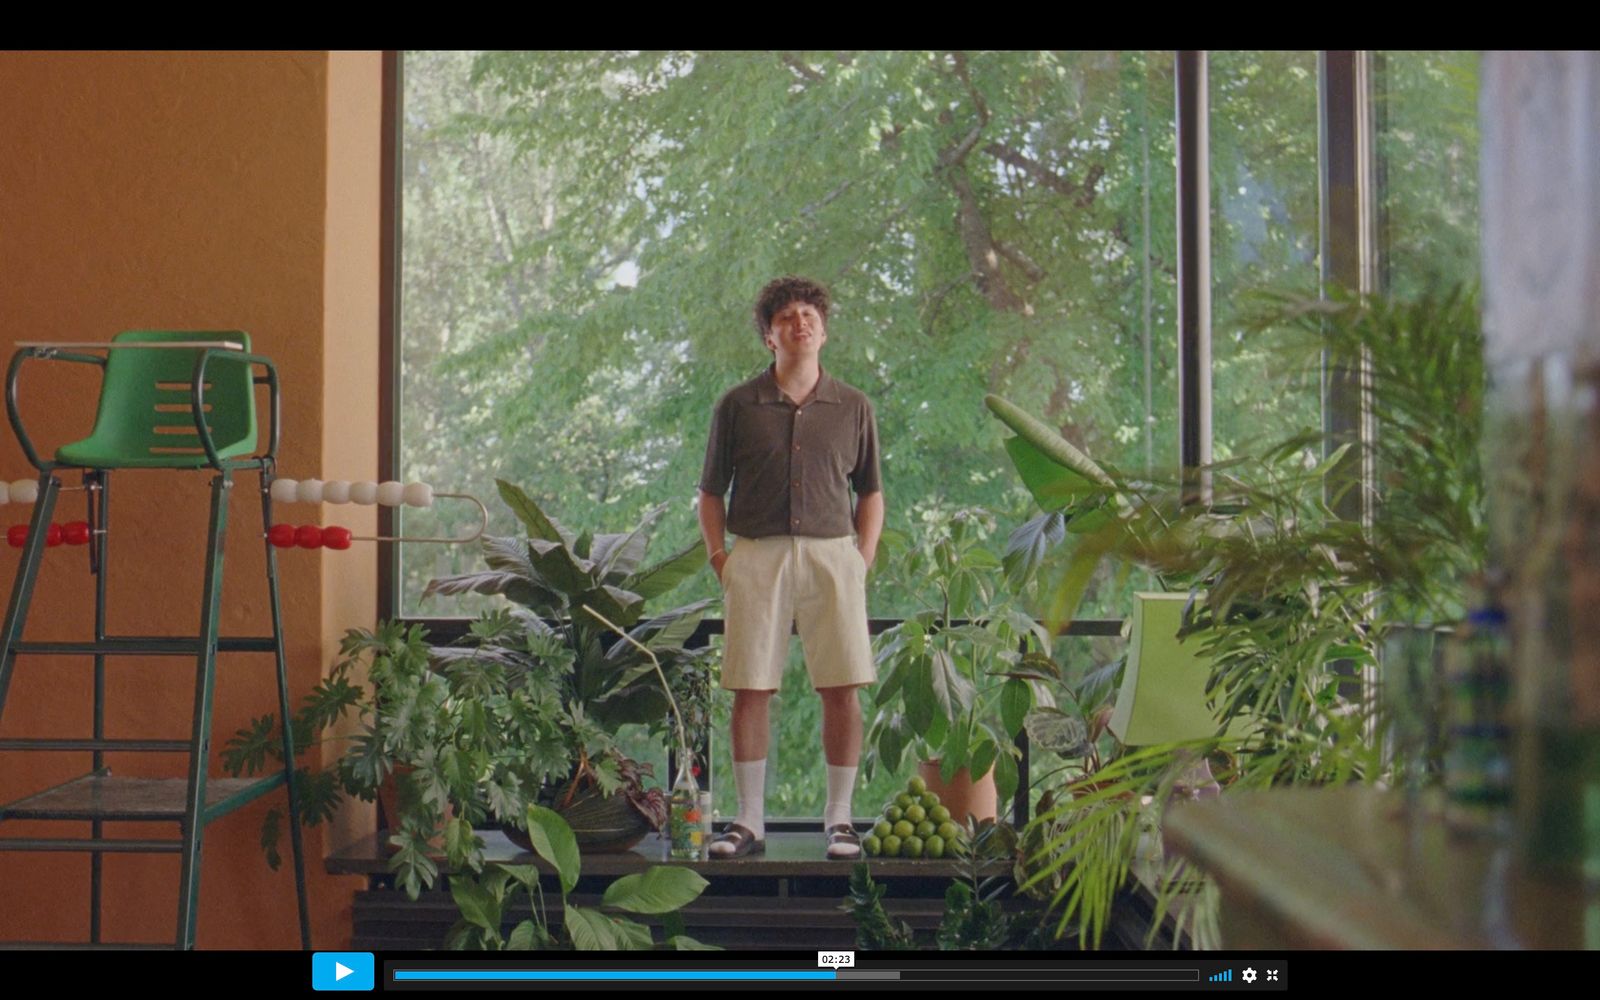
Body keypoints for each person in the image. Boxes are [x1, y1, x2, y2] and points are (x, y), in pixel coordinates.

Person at [697, 275, 884, 860]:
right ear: (768, 337)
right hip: (756, 554)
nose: (799, 323)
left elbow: (871, 492)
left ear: (824, 331)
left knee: (841, 687)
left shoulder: (854, 405)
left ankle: (840, 820)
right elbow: (709, 493)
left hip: (835, 555)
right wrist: (721, 559)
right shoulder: (736, 405)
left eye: (809, 315)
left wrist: (862, 559)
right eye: (785, 317)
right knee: (750, 687)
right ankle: (749, 820)